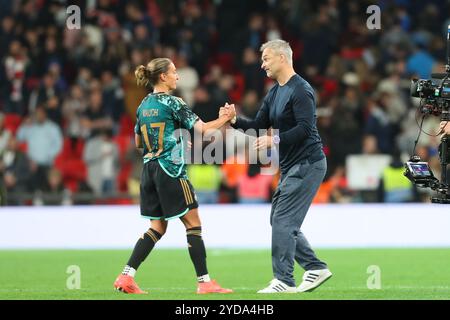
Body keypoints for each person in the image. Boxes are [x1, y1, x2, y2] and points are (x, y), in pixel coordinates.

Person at [113, 58, 235, 295]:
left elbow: (139, 142)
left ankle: (126, 276)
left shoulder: (143, 104)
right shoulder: (173, 102)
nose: (177, 76)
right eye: (174, 72)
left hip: (148, 171)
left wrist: (172, 140)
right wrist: (226, 118)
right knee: (193, 223)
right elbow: (202, 130)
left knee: (157, 227)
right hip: (171, 170)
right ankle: (205, 282)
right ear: (163, 77)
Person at [221, 39, 332, 293]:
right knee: (279, 219)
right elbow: (259, 125)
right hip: (292, 165)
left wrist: (275, 139)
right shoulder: (275, 92)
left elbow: (305, 129)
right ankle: (315, 268)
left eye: (266, 59)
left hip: (308, 163)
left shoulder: (301, 89)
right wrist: (235, 120)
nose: (262, 65)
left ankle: (284, 280)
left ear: (283, 58)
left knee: (282, 219)